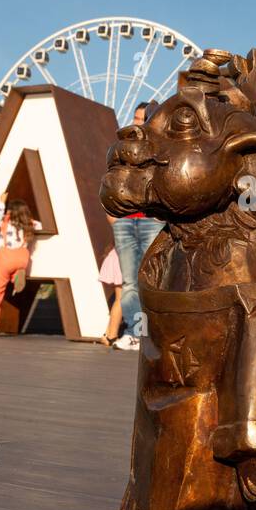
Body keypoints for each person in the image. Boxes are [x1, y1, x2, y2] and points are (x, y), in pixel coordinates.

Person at [109, 101, 166, 350]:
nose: (137, 122)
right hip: (125, 223)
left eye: (143, 118)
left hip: (150, 222)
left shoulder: (160, 152)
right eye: (135, 117)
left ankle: (152, 334)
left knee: (153, 281)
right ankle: (135, 332)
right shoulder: (122, 152)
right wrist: (112, 216)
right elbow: (110, 182)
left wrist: (160, 216)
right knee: (130, 282)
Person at [0, 191, 42, 337]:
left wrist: (1, 202)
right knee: (14, 271)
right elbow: (41, 225)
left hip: (6, 257)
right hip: (22, 257)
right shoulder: (31, 223)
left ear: (10, 211)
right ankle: (16, 275)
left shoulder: (5, 221)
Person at [96, 243, 124, 347]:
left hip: (118, 255)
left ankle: (107, 334)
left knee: (120, 298)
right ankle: (111, 336)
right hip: (123, 257)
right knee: (121, 298)